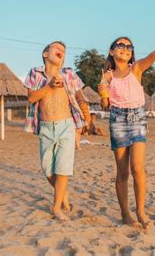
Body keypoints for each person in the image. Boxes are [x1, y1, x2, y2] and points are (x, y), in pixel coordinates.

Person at [98, 35, 155, 228]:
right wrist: (103, 93)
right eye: (121, 45)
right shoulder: (107, 76)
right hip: (118, 119)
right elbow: (105, 105)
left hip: (137, 118)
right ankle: (125, 214)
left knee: (138, 168)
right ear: (112, 51)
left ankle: (140, 211)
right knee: (122, 172)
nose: (125, 48)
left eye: (129, 46)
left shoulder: (136, 69)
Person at [24, 41, 91, 221]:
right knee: (47, 170)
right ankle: (62, 194)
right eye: (56, 48)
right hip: (45, 127)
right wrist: (49, 86)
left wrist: (85, 119)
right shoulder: (35, 73)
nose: (61, 51)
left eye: (63, 50)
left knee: (63, 167)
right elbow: (31, 98)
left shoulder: (68, 73)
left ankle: (56, 207)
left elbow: (79, 97)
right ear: (46, 54)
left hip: (66, 125)